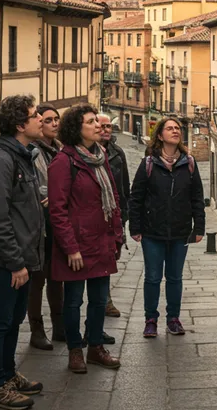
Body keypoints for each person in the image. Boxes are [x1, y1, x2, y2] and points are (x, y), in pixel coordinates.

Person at [0, 95, 46, 410]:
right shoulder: (0, 160)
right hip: (5, 260)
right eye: (34, 115)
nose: (40, 119)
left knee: (12, 320)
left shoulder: (22, 155)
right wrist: (16, 263)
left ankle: (7, 374)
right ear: (20, 125)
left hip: (22, 258)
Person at [47, 104, 124, 374]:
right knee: (73, 301)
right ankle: (75, 351)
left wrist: (117, 237)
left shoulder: (100, 158)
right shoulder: (63, 162)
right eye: (90, 122)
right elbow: (57, 209)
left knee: (99, 300)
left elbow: (113, 200)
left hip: (101, 243)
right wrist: (70, 248)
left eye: (96, 121)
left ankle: (95, 347)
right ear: (76, 128)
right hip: (77, 246)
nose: (97, 126)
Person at [128, 116, 205, 338]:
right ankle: (150, 319)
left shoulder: (189, 163)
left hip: (180, 232)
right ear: (160, 135)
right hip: (153, 232)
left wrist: (198, 227)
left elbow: (197, 197)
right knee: (152, 277)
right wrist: (135, 227)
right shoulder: (148, 164)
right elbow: (136, 197)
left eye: (177, 128)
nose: (175, 131)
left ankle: (173, 319)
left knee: (175, 278)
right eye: (169, 128)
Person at [26, 104, 65, 349]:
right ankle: (36, 330)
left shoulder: (59, 149)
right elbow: (36, 186)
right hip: (39, 223)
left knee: (56, 277)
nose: (53, 123)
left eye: (56, 119)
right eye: (48, 120)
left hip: (56, 222)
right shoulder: (33, 152)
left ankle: (59, 327)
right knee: (38, 278)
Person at [96, 112, 129, 319]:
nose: (106, 130)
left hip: (113, 217)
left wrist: (124, 218)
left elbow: (125, 187)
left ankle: (105, 302)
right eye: (102, 126)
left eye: (109, 127)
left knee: (109, 260)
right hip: (93, 216)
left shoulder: (118, 153)